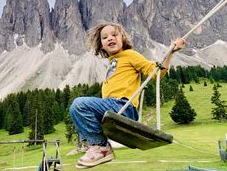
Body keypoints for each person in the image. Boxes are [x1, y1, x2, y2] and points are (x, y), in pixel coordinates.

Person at [69, 22, 186, 168]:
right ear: (102, 45)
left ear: (123, 38)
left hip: (123, 106)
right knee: (79, 112)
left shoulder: (130, 55)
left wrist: (171, 52)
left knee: (79, 104)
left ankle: (101, 147)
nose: (110, 38)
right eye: (105, 37)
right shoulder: (112, 62)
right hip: (112, 107)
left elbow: (155, 72)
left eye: (114, 35)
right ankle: (98, 147)